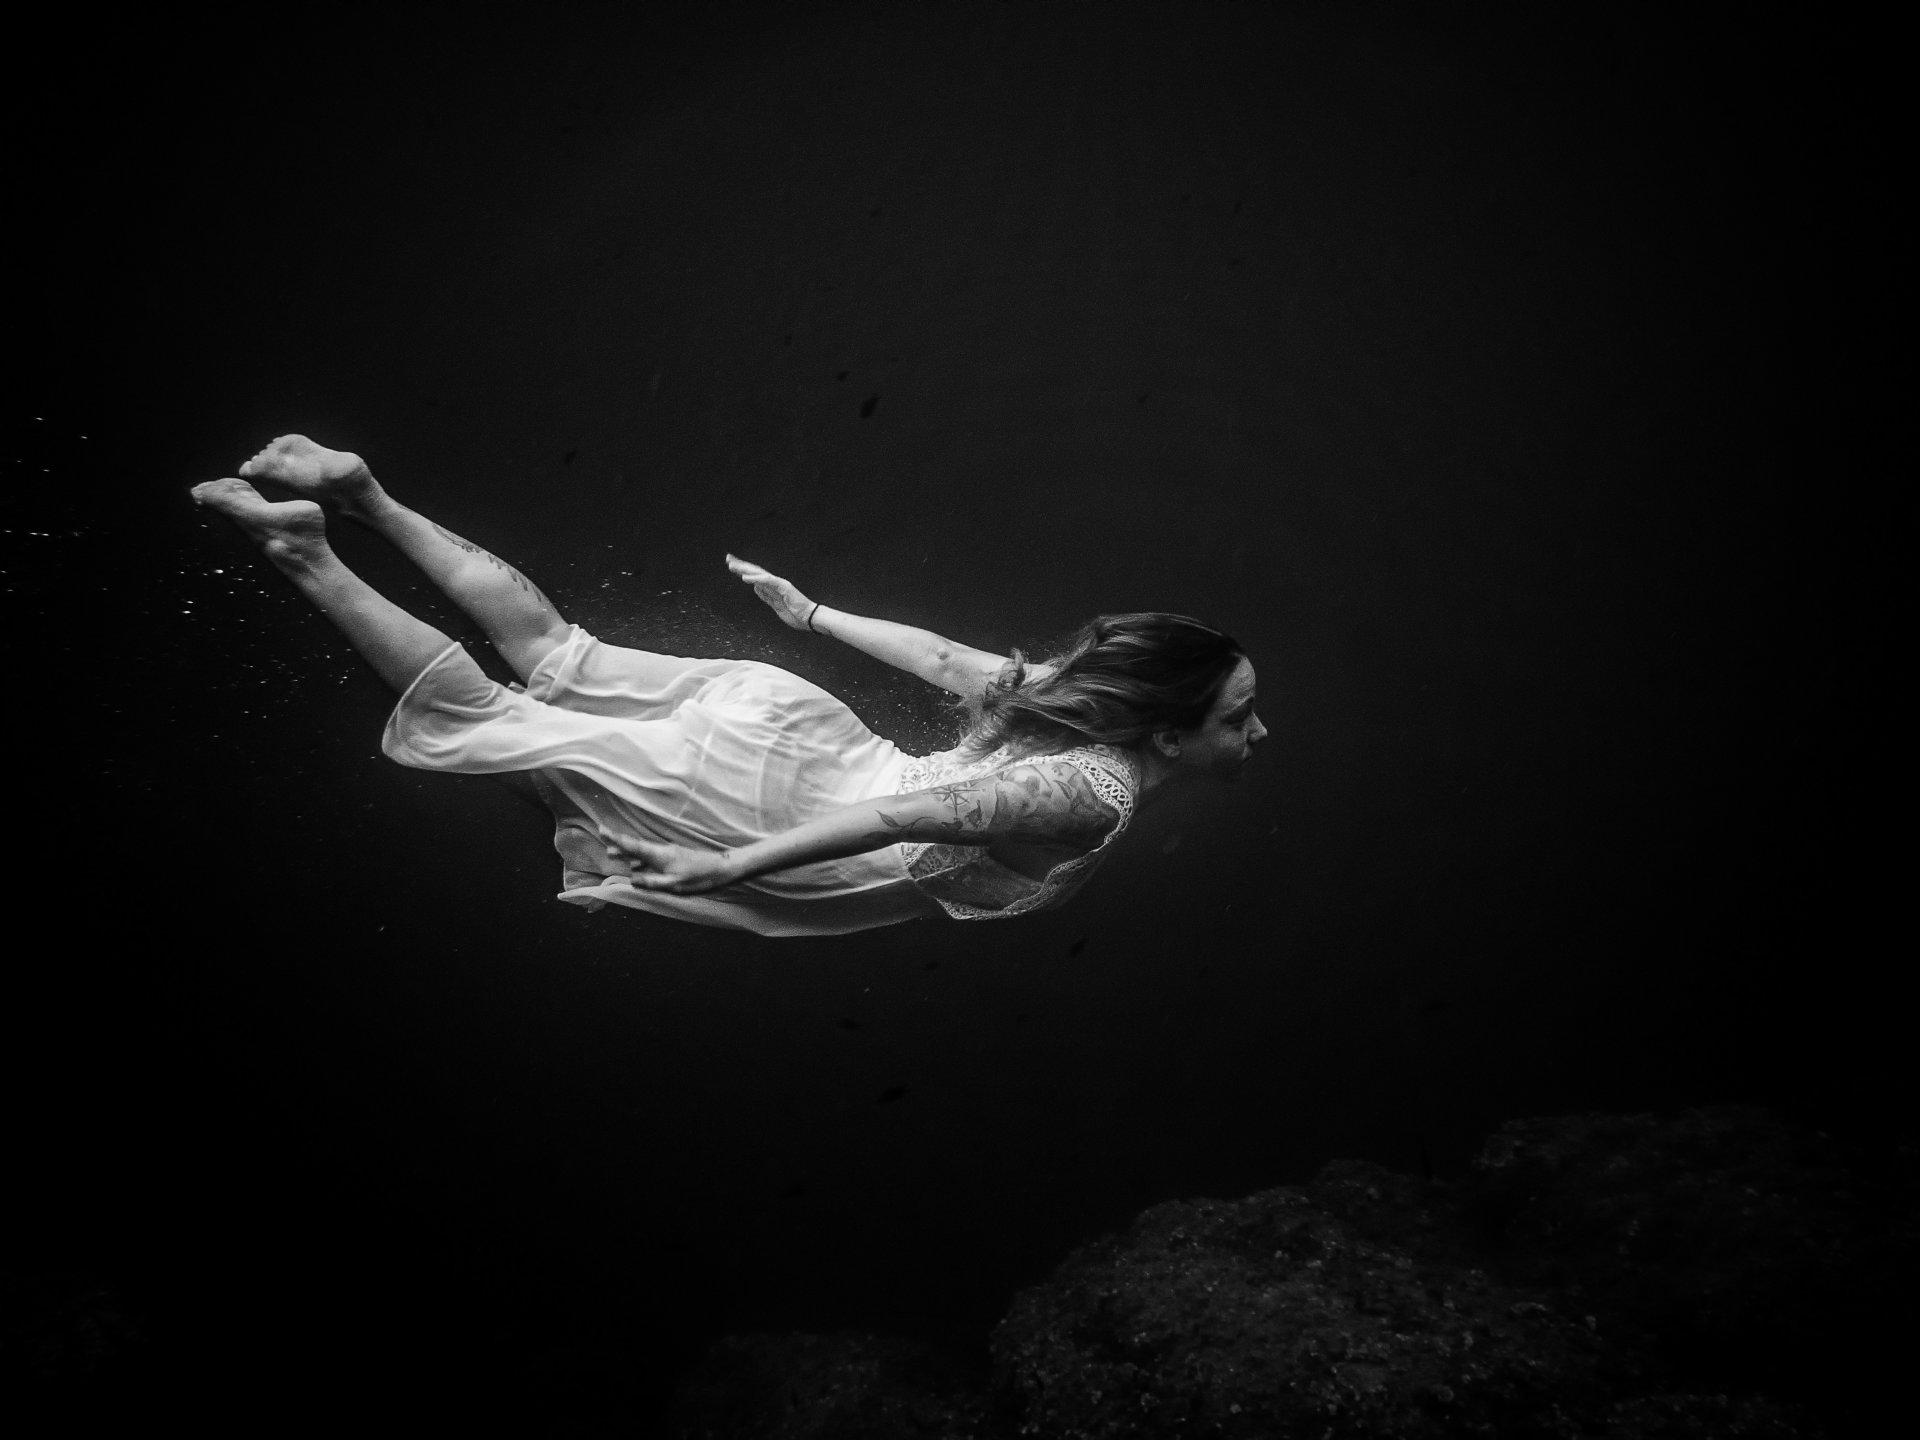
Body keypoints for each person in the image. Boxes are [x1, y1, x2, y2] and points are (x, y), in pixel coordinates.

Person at [191, 436, 1266, 936]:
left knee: (559, 654)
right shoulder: (1095, 792)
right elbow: (914, 814)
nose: (1260, 733)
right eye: (1238, 714)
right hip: (780, 809)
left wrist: (812, 618)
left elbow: (945, 661)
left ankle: (366, 494)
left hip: (800, 724)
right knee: (495, 722)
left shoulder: (1069, 706)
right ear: (1167, 735)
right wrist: (733, 863)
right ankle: (305, 552)